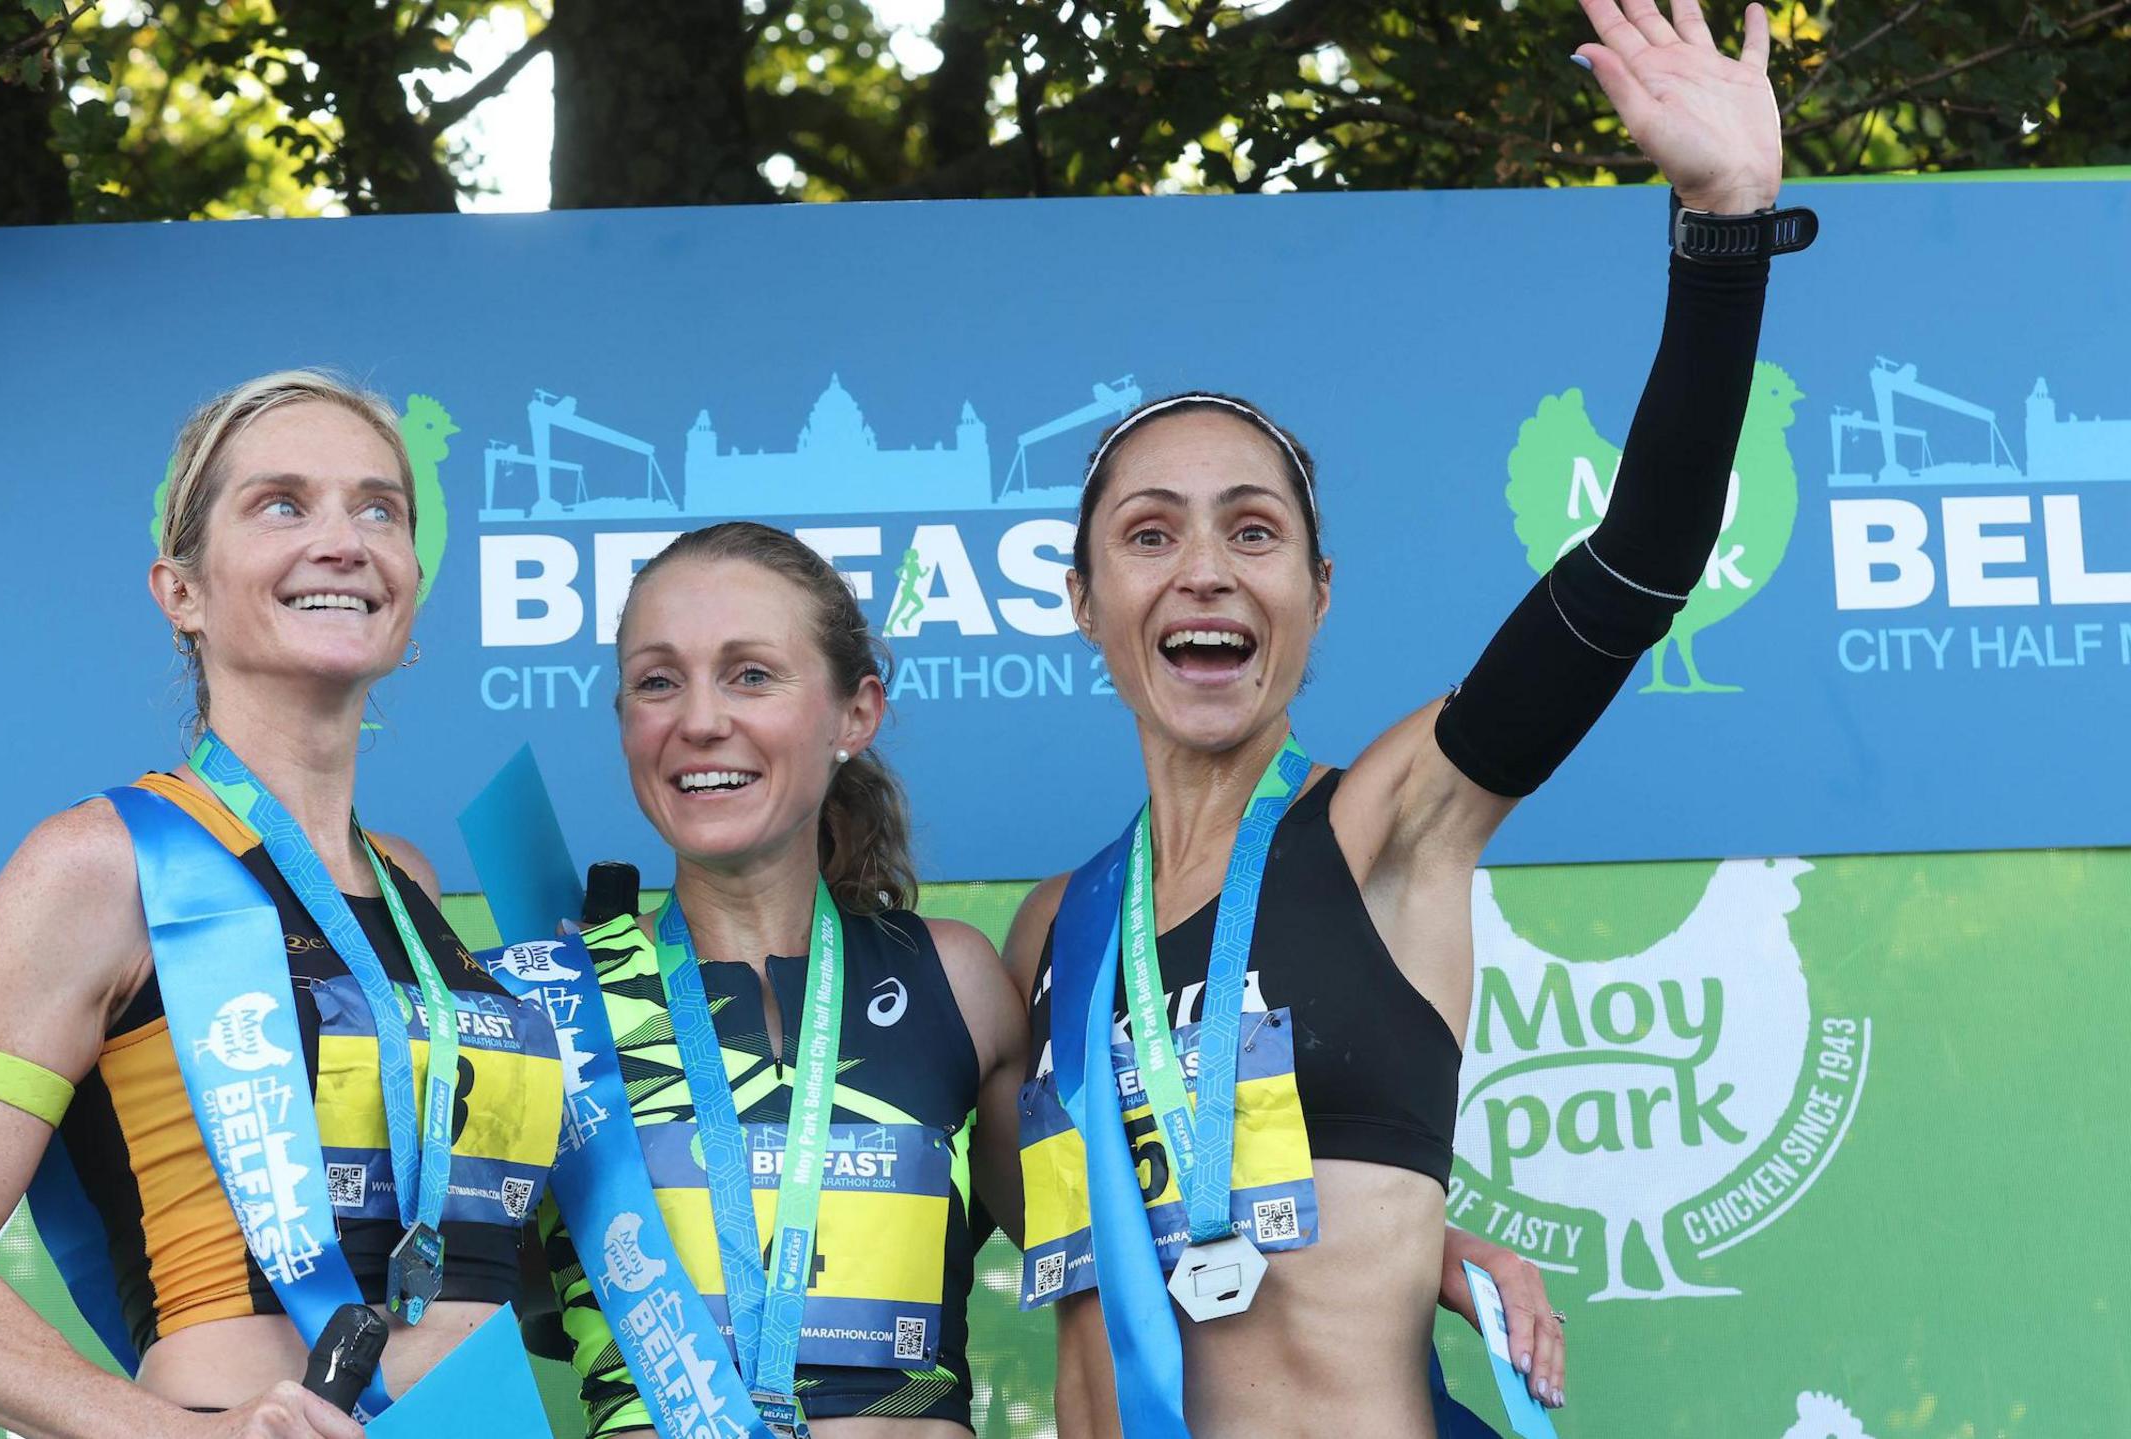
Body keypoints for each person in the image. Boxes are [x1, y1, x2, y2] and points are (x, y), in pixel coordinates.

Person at [1004, 2, 1807, 1434]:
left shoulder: (1385, 824)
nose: (1203, 568)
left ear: (1317, 593)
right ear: (1081, 597)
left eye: (1253, 533)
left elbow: (1638, 559)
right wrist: (1434, 1250)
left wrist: (1724, 223)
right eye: (1149, 533)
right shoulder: (1051, 932)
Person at [0, 370, 563, 1439]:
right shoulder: (100, 863)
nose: (342, 538)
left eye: (380, 508)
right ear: (180, 591)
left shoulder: (411, 884)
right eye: (281, 503)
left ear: (411, 585)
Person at [529, 521, 1032, 1437]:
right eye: (657, 681)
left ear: (856, 712)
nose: (700, 719)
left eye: (751, 673)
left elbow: (1095, 1277)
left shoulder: (957, 980)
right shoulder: (554, 1006)